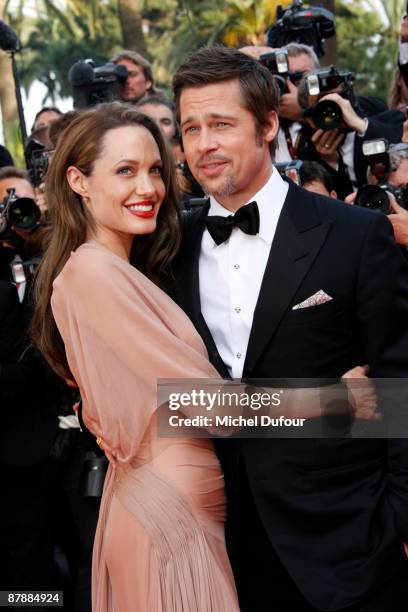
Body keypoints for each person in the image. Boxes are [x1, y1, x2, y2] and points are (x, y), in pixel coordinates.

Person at [172, 46, 408, 612]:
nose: (204, 144)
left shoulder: (353, 234)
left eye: (222, 124)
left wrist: (398, 521)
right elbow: (170, 404)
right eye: (190, 128)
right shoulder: (167, 247)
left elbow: (401, 384)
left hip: (347, 537)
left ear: (269, 125)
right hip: (216, 540)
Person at [31, 102, 240, 612]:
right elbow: (216, 407)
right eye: (125, 171)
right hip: (165, 519)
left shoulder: (116, 271)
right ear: (78, 181)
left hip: (173, 511)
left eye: (154, 170)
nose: (147, 189)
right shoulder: (93, 275)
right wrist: (356, 403)